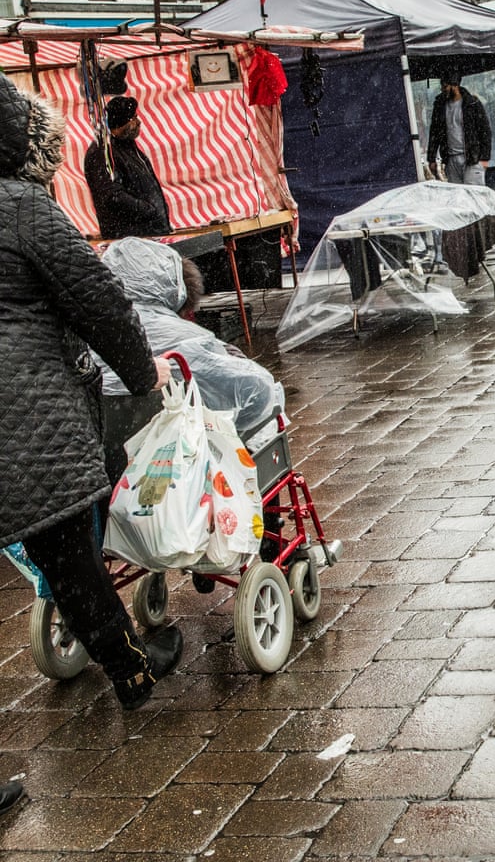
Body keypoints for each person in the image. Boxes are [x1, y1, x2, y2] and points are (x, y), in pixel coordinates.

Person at [0, 72, 181, 711]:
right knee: (69, 547)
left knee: (60, 549)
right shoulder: (21, 206)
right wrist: (143, 374)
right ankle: (131, 667)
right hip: (28, 416)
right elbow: (99, 301)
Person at [97, 236, 284, 437]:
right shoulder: (189, 340)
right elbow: (257, 393)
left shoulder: (83, 332)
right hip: (183, 454)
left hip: (104, 453)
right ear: (173, 284)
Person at [83, 95, 170, 239]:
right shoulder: (102, 152)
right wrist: (149, 210)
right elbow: (112, 196)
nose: (138, 122)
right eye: (133, 118)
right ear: (120, 123)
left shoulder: (128, 147)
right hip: (130, 238)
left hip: (148, 234)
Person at [426, 72, 492, 186]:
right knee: (458, 199)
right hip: (451, 159)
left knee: (474, 196)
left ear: (454, 85)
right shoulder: (440, 106)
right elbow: (434, 133)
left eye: (445, 86)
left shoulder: (473, 103)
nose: (442, 89)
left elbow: (485, 131)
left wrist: (485, 158)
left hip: (472, 159)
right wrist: (431, 158)